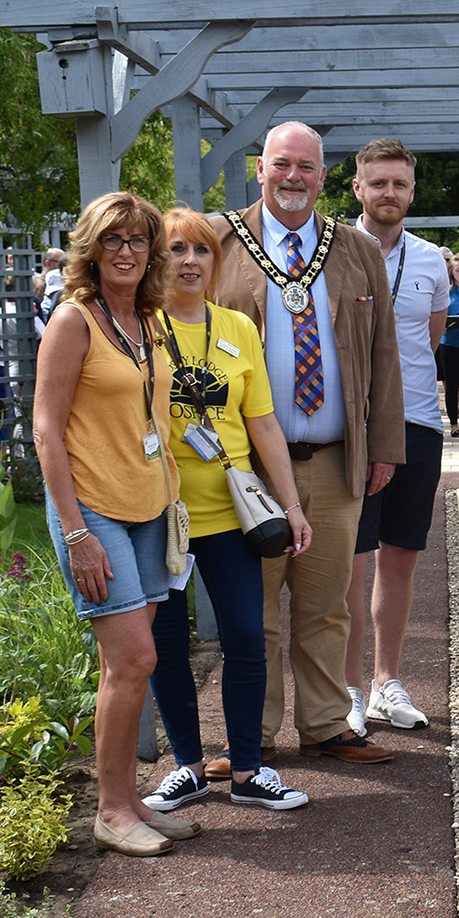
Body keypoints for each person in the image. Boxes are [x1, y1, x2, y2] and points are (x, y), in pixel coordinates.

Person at [208, 121, 405, 767]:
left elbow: (384, 354)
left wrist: (384, 445)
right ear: (260, 170)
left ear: (324, 177)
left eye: (306, 167)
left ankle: (325, 723)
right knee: (254, 609)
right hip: (247, 469)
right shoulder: (218, 242)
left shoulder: (356, 249)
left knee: (326, 606)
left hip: (335, 460)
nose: (293, 177)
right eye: (281, 164)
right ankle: (253, 735)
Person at [34, 191, 195, 857]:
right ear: (91, 249)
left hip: (149, 506)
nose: (126, 252)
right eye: (113, 240)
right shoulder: (73, 320)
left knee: (121, 667)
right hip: (94, 510)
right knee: (136, 659)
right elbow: (46, 430)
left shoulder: (149, 320)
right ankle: (110, 811)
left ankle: (128, 802)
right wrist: (76, 534)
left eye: (138, 240)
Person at [141, 206, 314, 815]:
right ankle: (187, 767)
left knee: (245, 636)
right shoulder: (138, 327)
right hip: (158, 516)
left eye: (202, 251)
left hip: (230, 515)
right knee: (165, 643)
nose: (190, 262)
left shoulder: (238, 327)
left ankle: (247, 770)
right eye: (177, 250)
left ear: (217, 262)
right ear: (158, 259)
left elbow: (262, 422)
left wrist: (291, 504)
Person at [342, 139, 445, 737]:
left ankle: (387, 681)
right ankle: (350, 688)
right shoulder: (333, 251)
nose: (389, 193)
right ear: (358, 188)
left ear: (411, 190)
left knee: (400, 558)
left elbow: (426, 341)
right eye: (378, 183)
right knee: (351, 564)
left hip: (418, 424)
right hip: (352, 428)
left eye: (399, 184)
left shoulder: (430, 259)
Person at [439, 253, 459, 438]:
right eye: (458, 270)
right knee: (452, 385)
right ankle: (454, 425)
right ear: (451, 272)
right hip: (449, 344)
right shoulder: (445, 292)